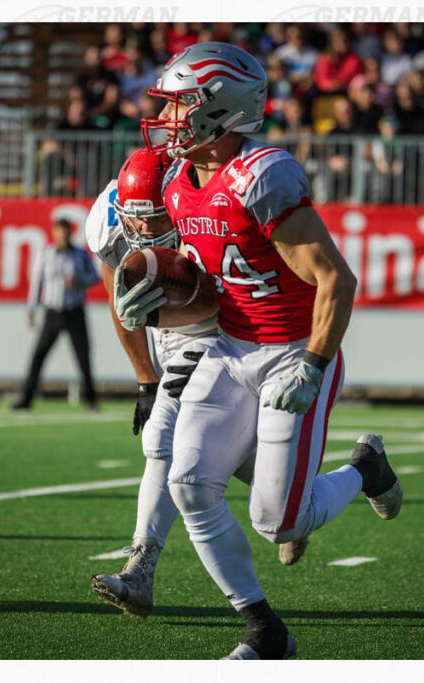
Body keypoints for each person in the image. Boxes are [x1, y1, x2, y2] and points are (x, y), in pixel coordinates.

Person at [127, 42, 404, 659]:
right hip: (228, 347)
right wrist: (157, 306)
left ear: (219, 110)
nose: (167, 117)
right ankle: (264, 629)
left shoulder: (261, 174)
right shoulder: (174, 181)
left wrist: (313, 363)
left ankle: (364, 469)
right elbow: (210, 287)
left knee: (280, 521)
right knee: (190, 483)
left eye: (179, 104)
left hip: (291, 350)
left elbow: (336, 279)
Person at [86, 149, 282, 618]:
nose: (146, 232)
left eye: (156, 218)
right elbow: (121, 296)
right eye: (139, 220)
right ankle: (359, 473)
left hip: (227, 328)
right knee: (264, 485)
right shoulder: (111, 218)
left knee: (164, 439)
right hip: (169, 335)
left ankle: (141, 566)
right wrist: (144, 379)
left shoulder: (208, 208)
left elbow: (231, 298)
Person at [14, 219, 100, 411]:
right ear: (54, 234)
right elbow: (37, 283)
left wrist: (79, 281)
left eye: (66, 232)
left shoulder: (80, 255)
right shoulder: (45, 255)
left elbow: (95, 277)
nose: (63, 236)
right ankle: (26, 398)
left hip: (75, 311)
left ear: (70, 233)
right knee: (38, 355)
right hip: (52, 312)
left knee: (83, 357)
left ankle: (91, 400)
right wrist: (31, 309)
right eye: (59, 232)